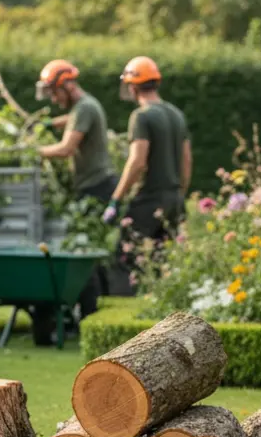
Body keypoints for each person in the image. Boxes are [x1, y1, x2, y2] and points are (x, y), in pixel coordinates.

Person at [34, 59, 118, 316]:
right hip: (95, 187)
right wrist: (50, 125)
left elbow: (66, 148)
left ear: (67, 86)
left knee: (84, 253)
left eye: (54, 93)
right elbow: (70, 119)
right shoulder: (84, 107)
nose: (53, 99)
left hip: (96, 188)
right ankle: (95, 313)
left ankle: (90, 315)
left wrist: (33, 152)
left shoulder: (85, 107)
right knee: (90, 252)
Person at [102, 56, 192, 276]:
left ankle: (123, 301)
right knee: (162, 260)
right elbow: (187, 159)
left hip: (148, 199)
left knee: (126, 257)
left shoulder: (141, 116)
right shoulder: (176, 114)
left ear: (133, 87)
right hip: (174, 199)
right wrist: (179, 193)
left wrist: (116, 199)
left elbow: (137, 161)